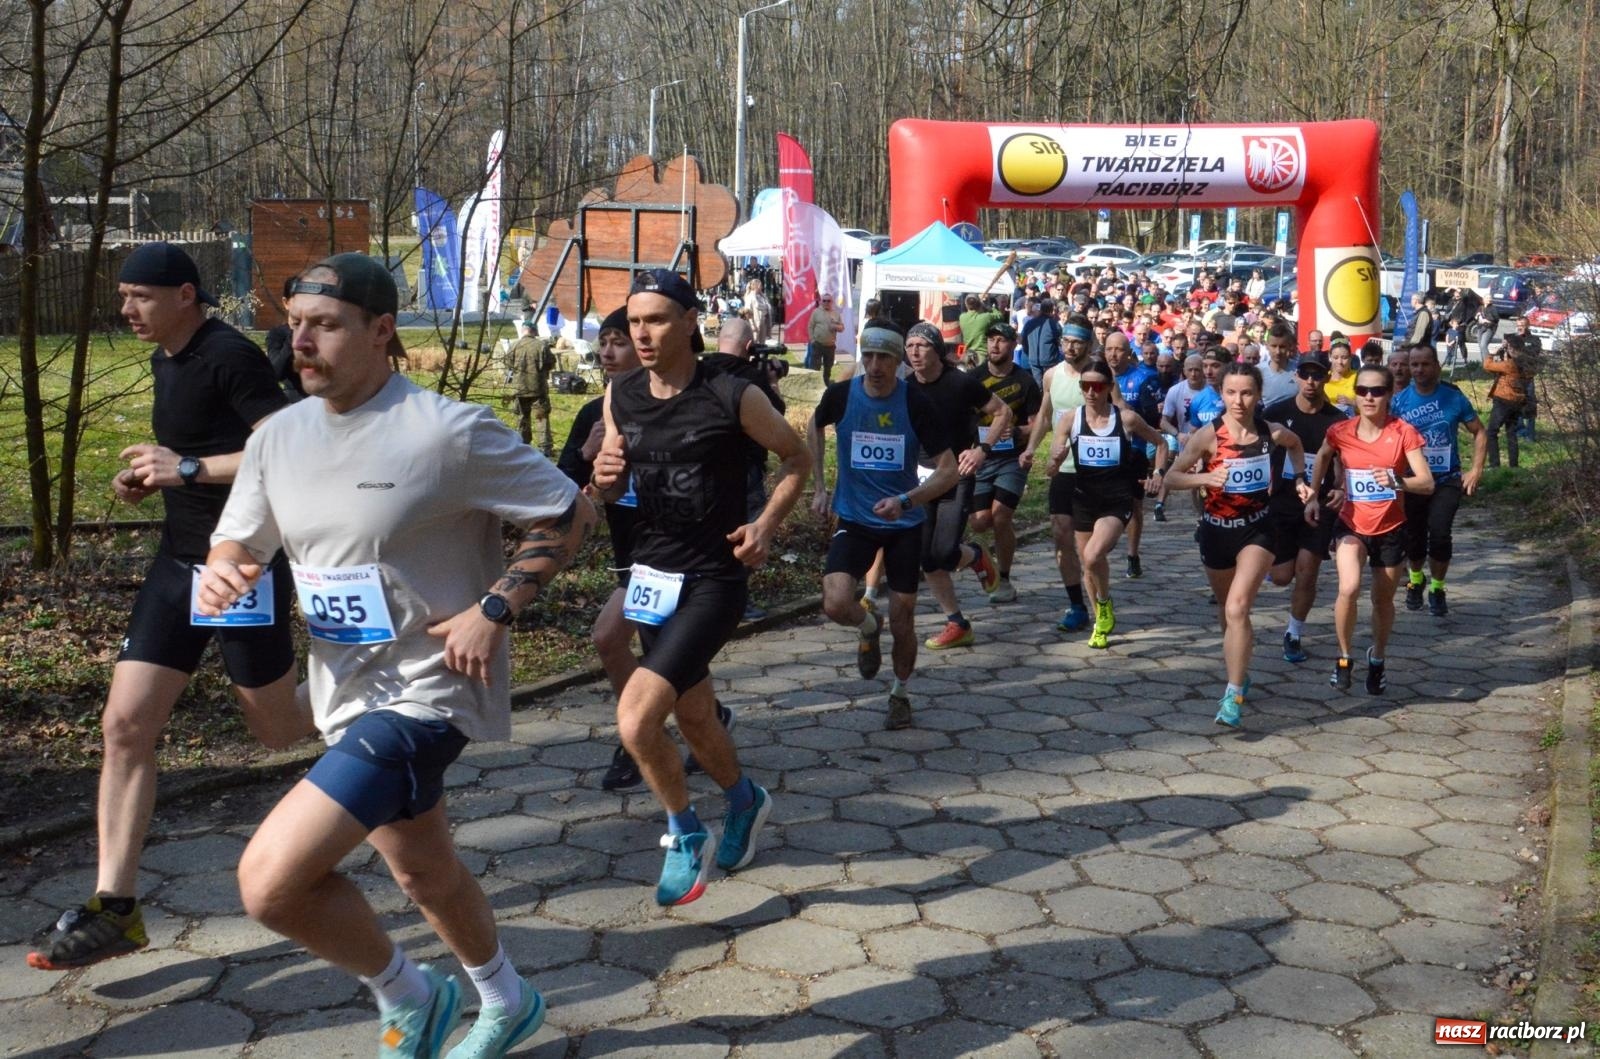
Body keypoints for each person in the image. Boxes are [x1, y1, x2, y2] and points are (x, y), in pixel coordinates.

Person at [197, 253, 595, 1057]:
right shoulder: (277, 437)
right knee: (424, 872)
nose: (302, 342)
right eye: (295, 324)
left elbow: (565, 510)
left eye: (327, 326)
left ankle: (408, 995)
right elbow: (240, 534)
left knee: (268, 882)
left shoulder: (448, 432)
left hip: (427, 693)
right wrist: (223, 565)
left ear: (382, 331)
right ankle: (506, 999)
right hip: (345, 693)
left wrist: (497, 606)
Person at [28, 243, 307, 973]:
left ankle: (372, 707)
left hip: (241, 566)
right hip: (177, 565)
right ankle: (115, 906)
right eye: (123, 296)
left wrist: (185, 468)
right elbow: (194, 453)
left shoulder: (229, 355)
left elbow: (286, 450)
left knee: (276, 730)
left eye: (139, 297)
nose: (126, 310)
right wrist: (153, 477)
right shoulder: (167, 358)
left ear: (185, 294)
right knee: (124, 725)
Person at [591, 269, 810, 906]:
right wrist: (607, 474)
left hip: (715, 575)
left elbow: (796, 458)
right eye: (635, 321)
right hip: (651, 573)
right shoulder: (621, 393)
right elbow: (611, 479)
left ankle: (686, 834)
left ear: (691, 322)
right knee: (691, 714)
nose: (643, 332)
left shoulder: (731, 395)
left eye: (656, 319)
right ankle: (746, 801)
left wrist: (766, 524)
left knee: (636, 721)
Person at [809, 325, 958, 729]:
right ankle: (867, 625)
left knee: (904, 619)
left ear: (898, 362)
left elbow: (948, 472)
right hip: (856, 518)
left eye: (885, 358)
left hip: (904, 524)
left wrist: (906, 500)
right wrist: (821, 486)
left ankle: (899, 693)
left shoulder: (916, 402)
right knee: (836, 602)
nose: (875, 366)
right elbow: (814, 425)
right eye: (869, 357)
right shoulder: (841, 396)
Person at [1166, 363, 1310, 725]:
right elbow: (1172, 477)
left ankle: (1233, 694)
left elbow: (1296, 446)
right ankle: (1239, 668)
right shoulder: (1208, 435)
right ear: (1222, 394)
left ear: (1258, 395)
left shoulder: (1271, 433)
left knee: (1237, 608)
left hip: (1258, 530)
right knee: (1226, 615)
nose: (1239, 400)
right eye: (1231, 392)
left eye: (1246, 393)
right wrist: (1207, 476)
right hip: (1216, 531)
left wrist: (1299, 479)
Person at [1306, 365, 1434, 695]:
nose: (1368, 397)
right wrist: (1313, 494)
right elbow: (1322, 455)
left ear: (1389, 395)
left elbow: (1426, 482)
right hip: (1351, 522)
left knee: (1382, 601)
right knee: (1348, 587)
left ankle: (1377, 658)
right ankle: (1344, 658)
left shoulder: (1403, 432)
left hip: (1391, 527)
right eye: (1362, 391)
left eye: (1377, 391)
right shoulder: (1341, 431)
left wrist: (1396, 480)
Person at [902, 323, 1011, 649]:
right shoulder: (905, 387)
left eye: (922, 345)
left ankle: (975, 555)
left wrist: (982, 449)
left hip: (957, 476)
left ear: (937, 349)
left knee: (945, 552)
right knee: (926, 557)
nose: (915, 353)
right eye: (910, 346)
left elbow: (1002, 412)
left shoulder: (961, 383)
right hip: (921, 478)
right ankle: (957, 623)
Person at [1064, 358, 1169, 649]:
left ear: (1109, 388)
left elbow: (1160, 444)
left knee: (1093, 555)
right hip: (1083, 498)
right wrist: (1052, 459)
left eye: (1097, 386)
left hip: (1116, 499)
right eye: (1085, 385)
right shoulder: (1071, 419)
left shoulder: (1126, 419)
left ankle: (1105, 600)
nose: (1091, 392)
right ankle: (1100, 622)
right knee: (1089, 564)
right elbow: (1056, 451)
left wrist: (1158, 473)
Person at [1262, 352, 1346, 664]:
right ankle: (1276, 571)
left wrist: (1339, 489)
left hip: (1318, 506)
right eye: (1306, 374)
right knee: (1283, 576)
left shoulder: (1337, 421)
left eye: (1318, 375)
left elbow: (1345, 463)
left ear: (1327, 377)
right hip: (1281, 503)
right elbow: (1257, 449)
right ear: (1296, 376)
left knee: (1307, 572)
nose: (1311, 381)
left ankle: (1294, 634)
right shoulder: (1276, 412)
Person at [1392, 344, 1487, 618]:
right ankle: (1415, 579)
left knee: (1440, 532)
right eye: (1414, 365)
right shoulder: (1399, 402)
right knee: (1415, 535)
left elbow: (1479, 432)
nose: (1419, 370)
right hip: (1412, 482)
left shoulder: (1453, 398)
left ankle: (1437, 587)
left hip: (1446, 479)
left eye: (1425, 364)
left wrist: (1476, 470)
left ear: (1436, 366)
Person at [1021, 315, 1095, 631]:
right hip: (1062, 467)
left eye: (1077, 342)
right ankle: (1076, 605)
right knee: (1060, 533)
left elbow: (1118, 411)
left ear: (1088, 344)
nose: (1070, 347)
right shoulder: (1051, 375)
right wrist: (1030, 448)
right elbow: (1044, 415)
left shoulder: (1097, 375)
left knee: (1088, 547)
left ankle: (1099, 599)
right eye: (1066, 340)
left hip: (1094, 470)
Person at [969, 321, 1041, 603]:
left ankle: (1005, 579)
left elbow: (1036, 425)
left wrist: (1020, 431)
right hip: (980, 458)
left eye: (1001, 340)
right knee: (979, 522)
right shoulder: (973, 379)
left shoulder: (1024, 381)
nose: (994, 346)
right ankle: (981, 556)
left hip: (1011, 458)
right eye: (990, 340)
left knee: (1001, 516)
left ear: (1013, 345)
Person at [1104, 330, 1161, 579]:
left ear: (1129, 352)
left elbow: (1150, 420)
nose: (1113, 355)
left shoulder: (1143, 379)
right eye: (1109, 349)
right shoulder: (1095, 378)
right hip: (1103, 449)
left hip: (1134, 450)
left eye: (1118, 349)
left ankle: (1132, 554)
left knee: (1134, 504)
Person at [1483, 333, 1535, 468]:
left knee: (1492, 432)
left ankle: (1494, 465)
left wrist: (1492, 353)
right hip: (1518, 401)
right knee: (1511, 432)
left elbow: (1487, 366)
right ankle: (1514, 465)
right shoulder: (1526, 364)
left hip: (1503, 400)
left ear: (1511, 348)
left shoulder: (1509, 365)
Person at [505, 321, 557, 454]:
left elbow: (508, 365)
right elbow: (551, 363)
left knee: (522, 417)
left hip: (520, 388)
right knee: (541, 417)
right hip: (538, 388)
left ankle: (523, 445)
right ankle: (545, 447)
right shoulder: (541, 346)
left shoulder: (513, 345)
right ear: (534, 331)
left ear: (523, 331)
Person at [807, 291, 845, 383]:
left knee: (828, 366)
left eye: (828, 301)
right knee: (815, 365)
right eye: (824, 300)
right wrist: (812, 340)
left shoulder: (836, 313)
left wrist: (836, 327)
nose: (826, 302)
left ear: (832, 302)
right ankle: (814, 382)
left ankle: (825, 382)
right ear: (821, 301)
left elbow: (842, 328)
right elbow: (810, 326)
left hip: (830, 345)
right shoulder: (816, 312)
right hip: (818, 344)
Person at [1323, 336, 1357, 413]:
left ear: (1350, 358)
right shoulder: (1323, 379)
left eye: (1344, 357)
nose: (1340, 362)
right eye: (1335, 357)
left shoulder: (1358, 377)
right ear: (1329, 357)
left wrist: (1352, 402)